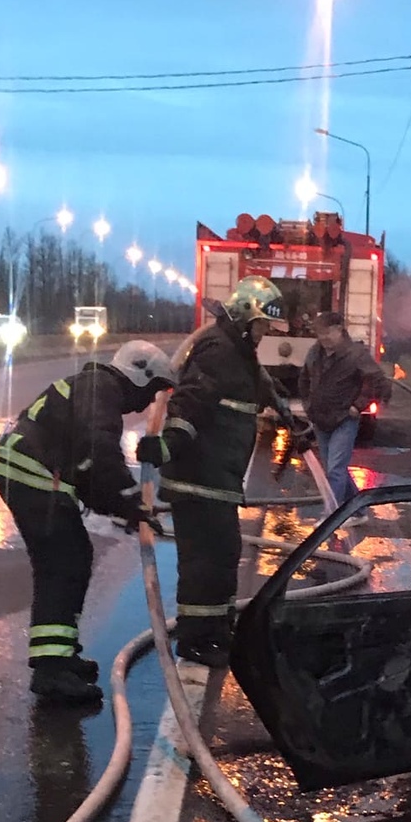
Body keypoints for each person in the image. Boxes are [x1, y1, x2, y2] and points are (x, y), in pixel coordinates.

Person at [0, 340, 176, 706]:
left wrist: (125, 508)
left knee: (71, 558)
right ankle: (51, 671)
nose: (148, 403)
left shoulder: (93, 386)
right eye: (152, 391)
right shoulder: (101, 389)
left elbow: (88, 469)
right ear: (139, 375)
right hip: (34, 475)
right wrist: (129, 498)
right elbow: (98, 450)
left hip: (32, 474)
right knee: (63, 563)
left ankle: (59, 656)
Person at [138, 277, 287, 666]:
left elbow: (260, 386)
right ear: (244, 316)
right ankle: (196, 641)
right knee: (205, 562)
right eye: (261, 325)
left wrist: (290, 418)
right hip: (198, 479)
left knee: (222, 555)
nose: (264, 333)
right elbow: (190, 403)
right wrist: (167, 445)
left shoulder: (238, 352)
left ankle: (218, 632)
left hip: (216, 479)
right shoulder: (219, 351)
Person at [301, 308, 393, 509]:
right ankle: (358, 510)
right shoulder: (315, 352)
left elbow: (378, 381)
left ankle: (330, 518)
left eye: (327, 332)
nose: (323, 337)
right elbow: (305, 378)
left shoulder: (356, 354)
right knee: (335, 469)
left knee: (335, 470)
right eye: (319, 333)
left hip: (344, 420)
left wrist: (358, 406)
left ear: (339, 330)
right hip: (320, 419)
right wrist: (308, 405)